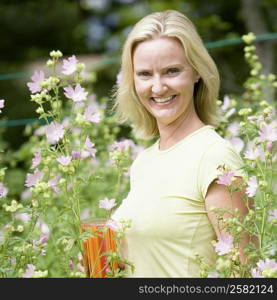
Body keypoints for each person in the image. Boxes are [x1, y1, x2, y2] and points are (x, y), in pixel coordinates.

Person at [111, 10, 249, 278]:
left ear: (196, 72)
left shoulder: (215, 156)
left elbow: (244, 276)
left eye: (172, 71)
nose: (158, 87)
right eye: (145, 74)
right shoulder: (144, 162)